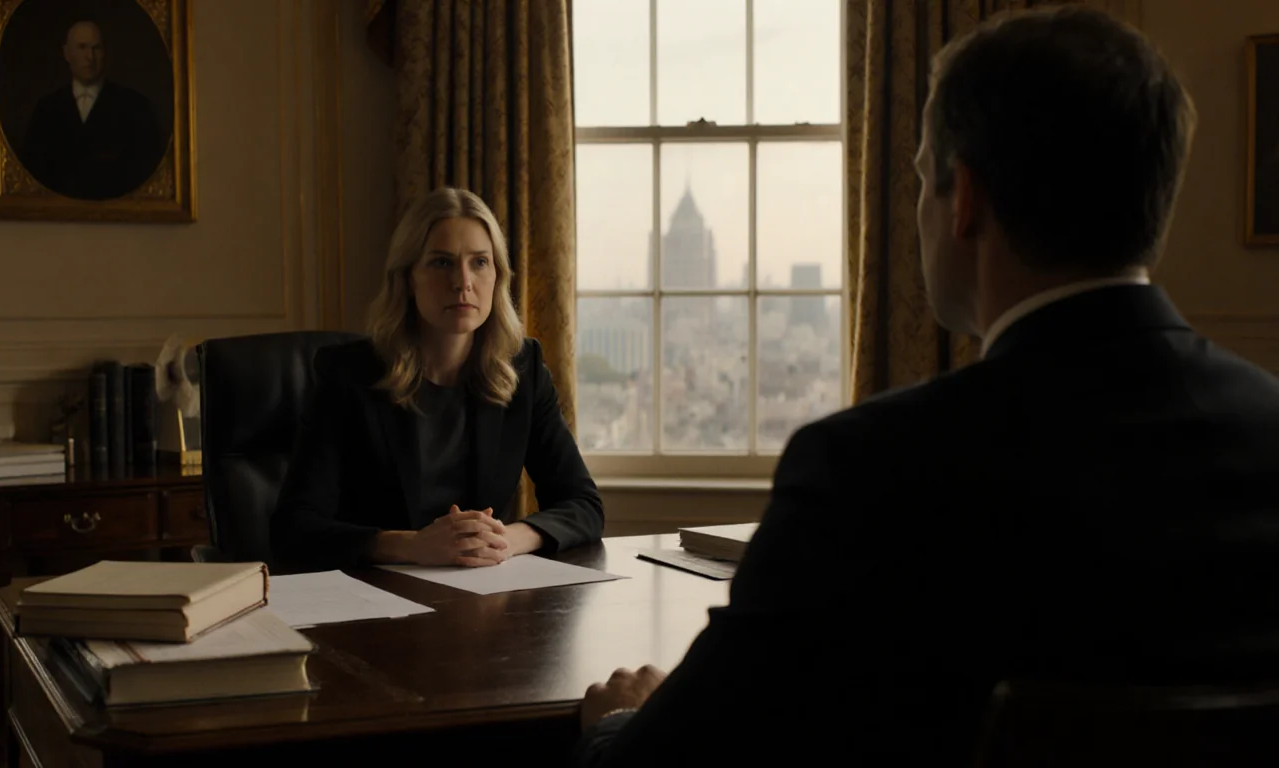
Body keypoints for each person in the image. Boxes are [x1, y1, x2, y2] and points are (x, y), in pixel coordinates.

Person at [576, 7, 1279, 766]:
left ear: (964, 199)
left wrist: (617, 725)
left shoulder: (866, 471)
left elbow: (669, 766)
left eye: (919, 180)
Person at [272, 187, 603, 572]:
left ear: (497, 276)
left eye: (480, 262)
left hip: (482, 590)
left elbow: (583, 505)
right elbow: (293, 529)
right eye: (442, 262)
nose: (463, 282)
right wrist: (410, 545)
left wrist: (506, 539)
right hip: (375, 592)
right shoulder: (348, 374)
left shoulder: (523, 369)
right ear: (408, 278)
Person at [20, 20, 166, 200]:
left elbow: (147, 169)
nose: (90, 57)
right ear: (67, 53)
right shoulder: (46, 109)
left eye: (96, 48)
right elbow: (33, 170)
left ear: (105, 53)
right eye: (82, 47)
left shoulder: (136, 107)